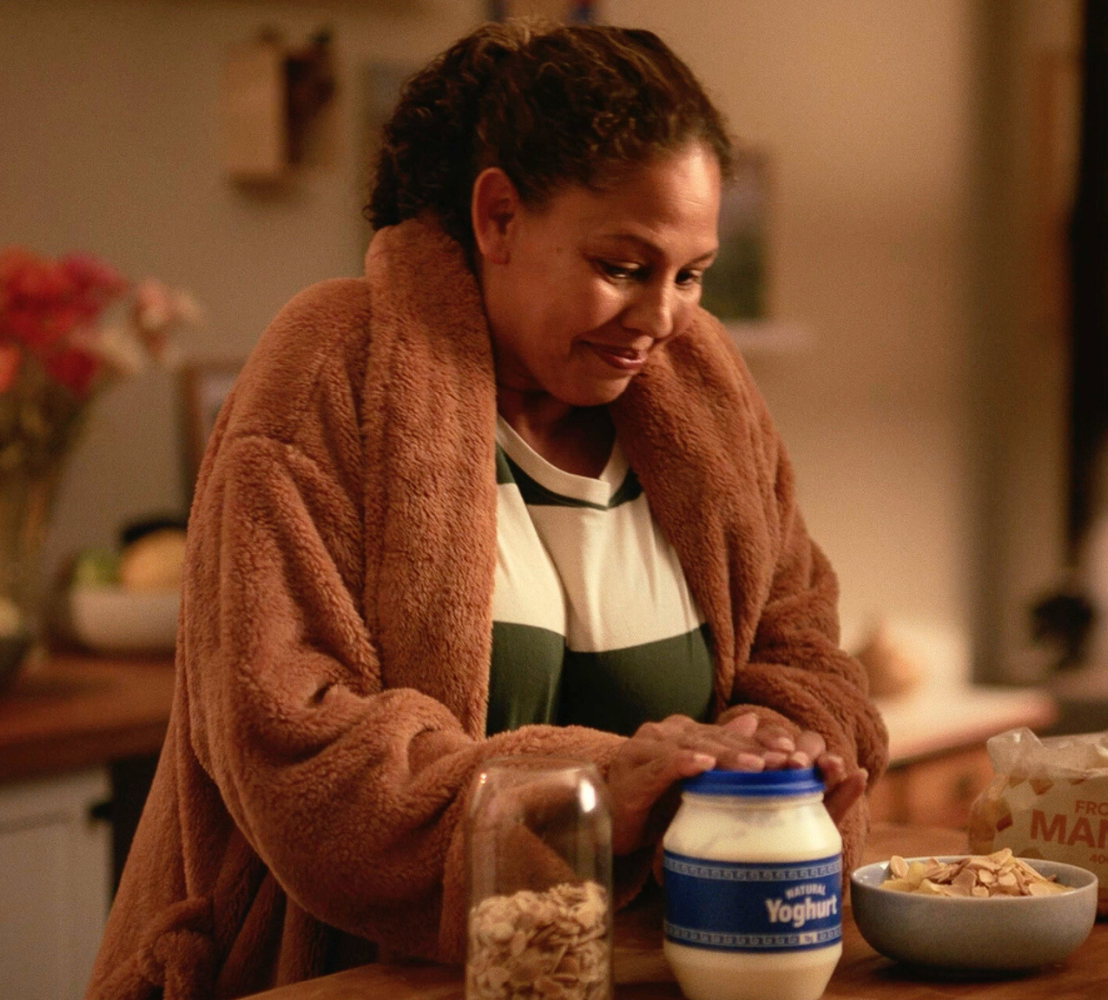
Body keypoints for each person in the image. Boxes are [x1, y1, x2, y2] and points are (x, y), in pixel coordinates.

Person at [86, 19, 887, 1000]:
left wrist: (780, 740)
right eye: (624, 266)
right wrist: (606, 785)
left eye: (691, 274)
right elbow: (296, 749)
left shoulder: (705, 392)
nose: (663, 318)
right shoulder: (331, 368)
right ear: (498, 216)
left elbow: (806, 648)